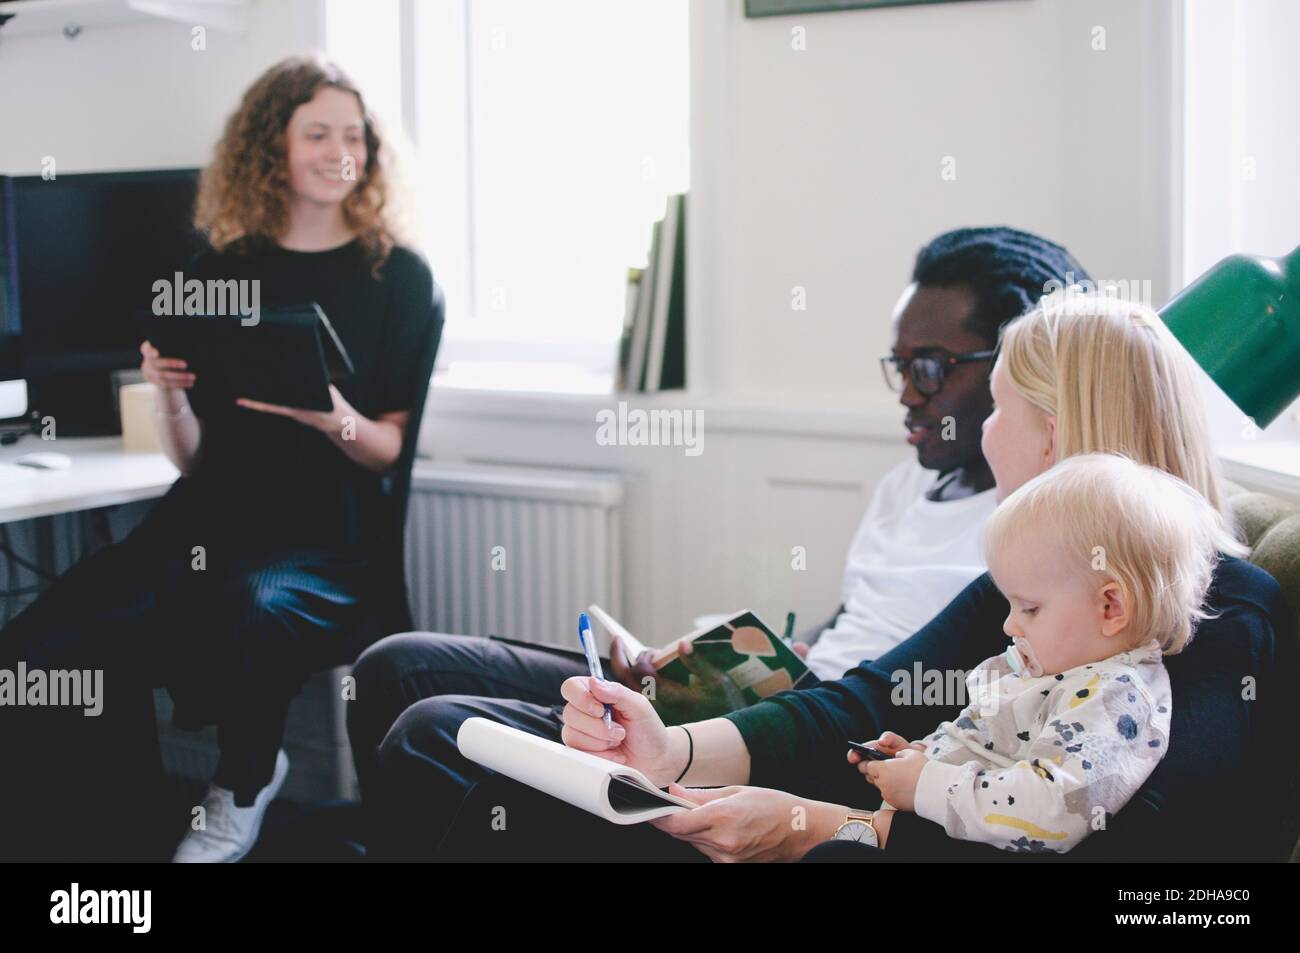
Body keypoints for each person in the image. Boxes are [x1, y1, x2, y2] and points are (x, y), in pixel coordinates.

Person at [420, 292, 1290, 862]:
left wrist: (803, 825)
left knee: (469, 763)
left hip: (862, 836)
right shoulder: (1043, 577)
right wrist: (674, 746)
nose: (982, 438)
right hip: (866, 812)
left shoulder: (1215, 617)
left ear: (1058, 439)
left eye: (998, 412)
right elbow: (871, 699)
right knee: (464, 743)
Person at [346, 227, 1090, 823]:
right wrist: (731, 660)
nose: (907, 395)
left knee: (437, 729)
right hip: (783, 698)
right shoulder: (909, 485)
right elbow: (852, 630)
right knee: (396, 665)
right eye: (898, 367)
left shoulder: (1031, 545)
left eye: (929, 368)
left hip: (830, 739)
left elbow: (895, 701)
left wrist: (679, 743)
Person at [0, 55, 440, 863]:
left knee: (252, 602)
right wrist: (166, 393)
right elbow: (195, 461)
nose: (340, 151)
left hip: (329, 540)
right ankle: (93, 833)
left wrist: (329, 415)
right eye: (317, 133)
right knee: (38, 644)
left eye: (354, 135)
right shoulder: (219, 271)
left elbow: (388, 449)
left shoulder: (400, 279)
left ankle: (243, 777)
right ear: (272, 146)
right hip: (208, 519)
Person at [852, 453, 1234, 855]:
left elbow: (1050, 809)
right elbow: (991, 748)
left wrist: (925, 784)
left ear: (1111, 608)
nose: (1009, 625)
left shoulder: (1115, 699)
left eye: (1030, 608)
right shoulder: (1059, 668)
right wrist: (925, 756)